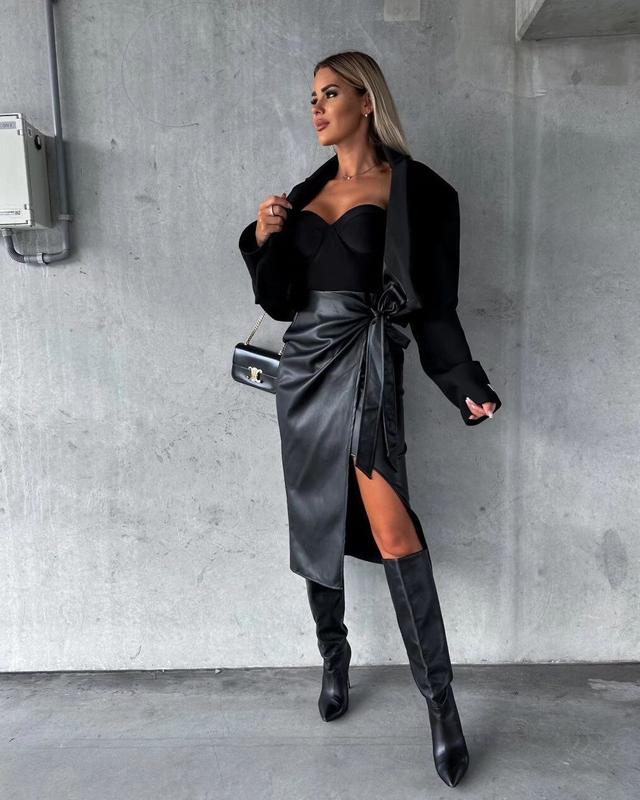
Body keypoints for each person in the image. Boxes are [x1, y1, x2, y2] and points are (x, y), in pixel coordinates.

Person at [238, 50, 502, 789]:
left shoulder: (420, 191)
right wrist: (265, 236)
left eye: (330, 94)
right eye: (311, 97)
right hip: (303, 371)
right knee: (314, 518)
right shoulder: (306, 193)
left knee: (394, 532)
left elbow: (435, 303)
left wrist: (462, 381)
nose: (316, 108)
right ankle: (334, 657)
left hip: (369, 365)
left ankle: (441, 706)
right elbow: (279, 302)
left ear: (366, 100)